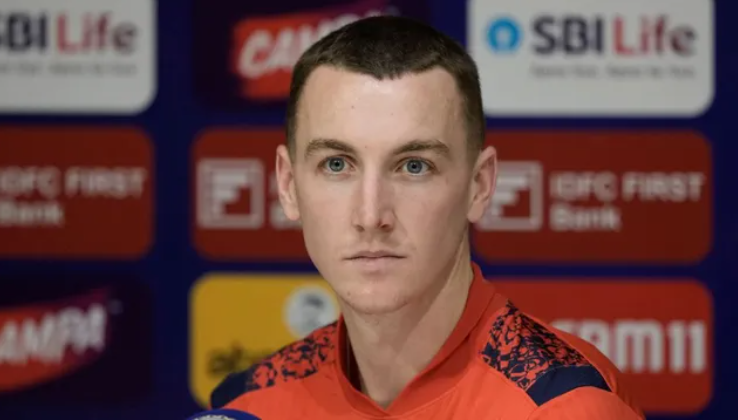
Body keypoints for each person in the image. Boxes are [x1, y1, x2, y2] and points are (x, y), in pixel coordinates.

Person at [207, 15, 645, 419]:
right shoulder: (250, 405)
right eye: (337, 165)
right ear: (288, 185)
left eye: (414, 166)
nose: (371, 215)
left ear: (479, 186)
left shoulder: (563, 408)